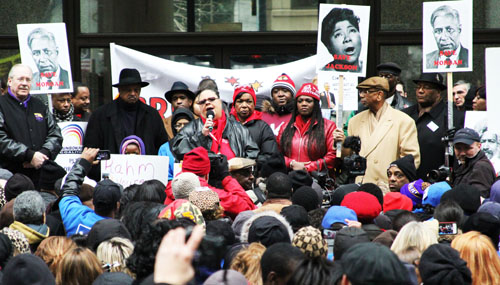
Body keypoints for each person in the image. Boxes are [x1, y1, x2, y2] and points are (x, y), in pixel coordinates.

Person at [0, 64, 63, 188]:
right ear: (9, 81)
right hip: (10, 178)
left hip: (41, 175)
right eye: (20, 79)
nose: (24, 83)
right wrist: (29, 155)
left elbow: (55, 133)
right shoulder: (1, 105)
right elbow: (1, 139)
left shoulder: (39, 105)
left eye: (28, 80)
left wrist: (42, 155)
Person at [348, 77, 420, 184]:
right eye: (360, 91)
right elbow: (349, 156)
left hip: (388, 188)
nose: (361, 95)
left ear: (379, 95)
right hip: (361, 187)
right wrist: (340, 144)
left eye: (366, 92)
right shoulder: (355, 121)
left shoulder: (403, 121)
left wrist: (395, 180)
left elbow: (411, 159)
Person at [83, 68, 168, 156]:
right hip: (111, 168)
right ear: (119, 90)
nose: (133, 93)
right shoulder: (100, 115)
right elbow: (90, 150)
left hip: (146, 167)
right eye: (128, 90)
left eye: (136, 90)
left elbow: (163, 148)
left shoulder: (152, 115)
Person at [403, 73, 465, 180]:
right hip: (407, 182)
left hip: (436, 182)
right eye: (418, 87)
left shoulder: (452, 117)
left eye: (426, 88)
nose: (420, 91)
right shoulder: (405, 115)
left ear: (438, 92)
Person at [171, 86, 259, 161]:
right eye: (202, 102)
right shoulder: (190, 128)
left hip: (233, 177)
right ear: (199, 107)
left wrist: (239, 168)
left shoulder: (239, 129)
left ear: (220, 102)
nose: (207, 103)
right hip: (203, 178)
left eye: (211, 99)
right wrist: (200, 136)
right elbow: (178, 149)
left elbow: (253, 154)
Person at [59, 148, 122, 236]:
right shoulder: (120, 232)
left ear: (93, 201)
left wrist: (83, 163)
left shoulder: (75, 216)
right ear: (117, 205)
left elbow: (68, 191)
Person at [278, 83, 337, 175]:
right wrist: (291, 163)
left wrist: (306, 167)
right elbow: (277, 154)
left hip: (317, 179)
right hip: (289, 177)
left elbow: (332, 156)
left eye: (308, 101)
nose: (303, 104)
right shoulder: (285, 127)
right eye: (300, 101)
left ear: (316, 104)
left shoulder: (329, 126)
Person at [230, 85, 279, 169]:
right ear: (234, 104)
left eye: (249, 101)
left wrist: (249, 162)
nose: (244, 105)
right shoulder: (226, 125)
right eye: (240, 101)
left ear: (254, 104)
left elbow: (270, 156)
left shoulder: (263, 127)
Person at [451, 128, 495, 198]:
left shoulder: (481, 166)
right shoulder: (466, 164)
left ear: (479, 146)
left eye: (467, 148)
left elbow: (478, 199)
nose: (462, 153)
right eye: (458, 148)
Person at [320, 7, 363, 72]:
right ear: (328, 46)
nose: (347, 38)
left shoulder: (369, 70)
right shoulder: (321, 75)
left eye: (352, 31)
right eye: (338, 34)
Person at [158, 107, 195, 181]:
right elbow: (163, 174)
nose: (182, 128)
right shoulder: (165, 148)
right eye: (179, 125)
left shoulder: (198, 145)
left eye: (186, 124)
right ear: (174, 127)